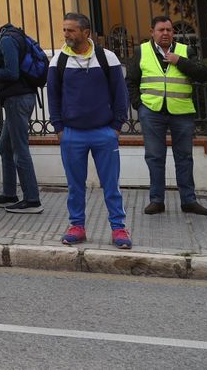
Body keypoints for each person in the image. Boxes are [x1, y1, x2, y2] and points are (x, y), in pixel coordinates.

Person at [48, 13, 131, 248]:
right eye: (64, 30)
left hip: (104, 132)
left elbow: (120, 93)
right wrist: (59, 128)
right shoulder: (58, 60)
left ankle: (119, 228)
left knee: (111, 185)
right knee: (75, 186)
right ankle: (77, 226)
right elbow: (53, 96)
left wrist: (116, 127)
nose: (66, 35)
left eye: (71, 30)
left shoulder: (108, 58)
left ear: (86, 33)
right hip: (71, 134)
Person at [127, 15, 207, 216]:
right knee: (155, 157)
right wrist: (139, 106)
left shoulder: (184, 50)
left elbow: (202, 74)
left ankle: (188, 201)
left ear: (173, 32)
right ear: (152, 32)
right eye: (161, 30)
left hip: (181, 111)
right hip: (152, 111)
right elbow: (131, 81)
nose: (165, 33)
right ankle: (157, 200)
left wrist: (179, 61)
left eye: (169, 30)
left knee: (184, 157)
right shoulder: (141, 51)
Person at [0, 14, 43, 214]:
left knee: (20, 149)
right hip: (21, 96)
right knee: (4, 147)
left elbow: (12, 73)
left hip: (17, 98)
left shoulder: (6, 39)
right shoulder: (12, 34)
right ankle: (9, 193)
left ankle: (32, 200)